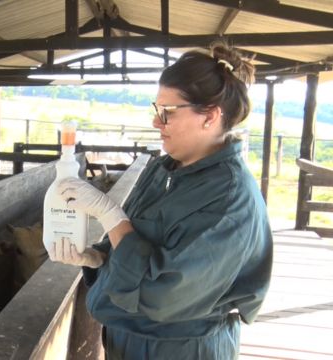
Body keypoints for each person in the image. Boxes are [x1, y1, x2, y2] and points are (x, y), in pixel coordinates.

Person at [48, 43, 273, 359]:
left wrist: (109, 213)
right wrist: (99, 258)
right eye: (157, 110)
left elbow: (165, 291)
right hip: (132, 340)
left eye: (167, 113)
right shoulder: (167, 171)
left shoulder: (230, 198)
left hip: (180, 348)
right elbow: (140, 241)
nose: (157, 122)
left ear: (209, 116)